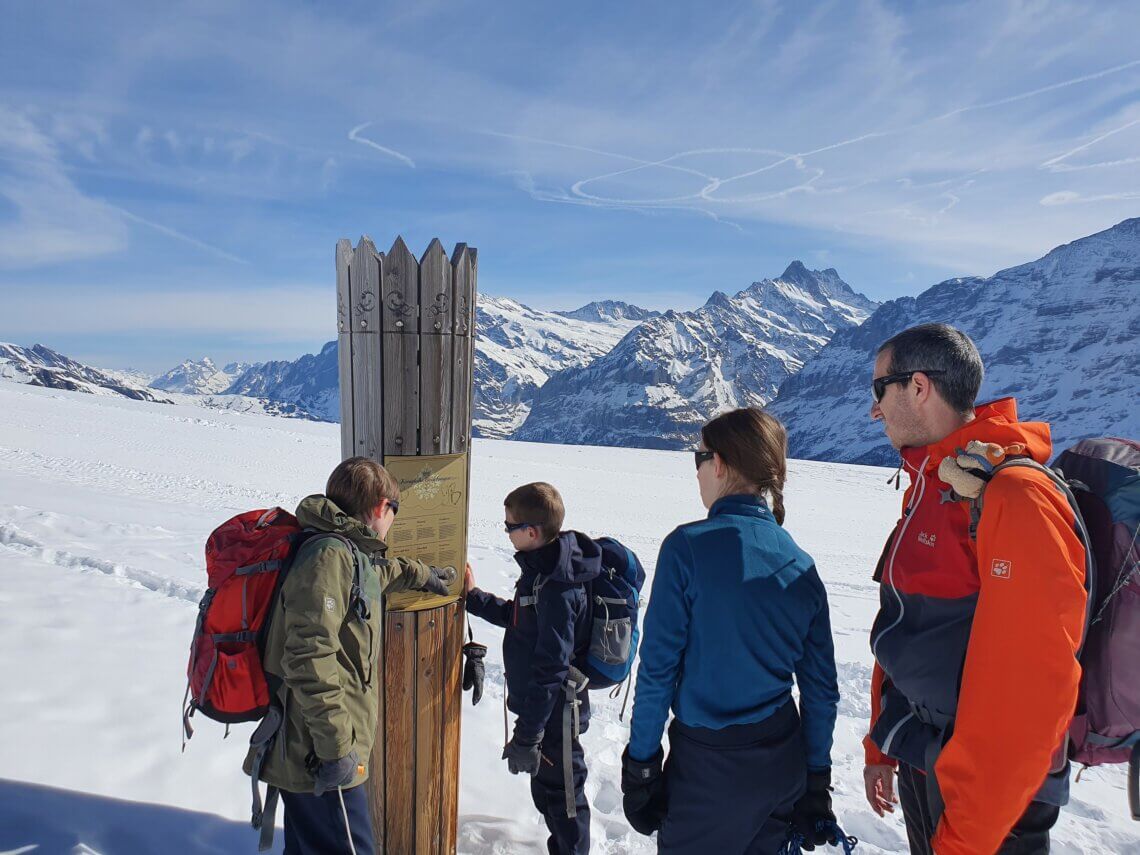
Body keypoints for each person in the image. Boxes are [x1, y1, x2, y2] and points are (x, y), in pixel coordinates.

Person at [862, 323, 1088, 855]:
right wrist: (882, 744)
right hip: (928, 754)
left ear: (918, 387)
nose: (874, 411)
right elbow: (906, 623)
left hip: (991, 797)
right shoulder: (939, 483)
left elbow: (1032, 689)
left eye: (879, 390)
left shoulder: (1012, 495)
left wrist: (967, 838)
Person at [621, 407, 841, 854]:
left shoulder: (687, 548)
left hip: (709, 773)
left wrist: (641, 765)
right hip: (782, 766)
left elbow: (658, 671)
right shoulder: (800, 564)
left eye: (698, 458)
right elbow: (821, 691)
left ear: (719, 463)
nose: (697, 471)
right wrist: (816, 781)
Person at [244, 456, 453, 854]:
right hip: (317, 752)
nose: (393, 519)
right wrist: (336, 748)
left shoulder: (344, 554)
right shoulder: (329, 557)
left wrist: (420, 574)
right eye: (395, 510)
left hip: (307, 747)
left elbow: (373, 577)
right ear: (380, 507)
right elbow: (308, 656)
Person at [464, 482, 601, 855]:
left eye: (509, 526)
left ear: (532, 532)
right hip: (546, 713)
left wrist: (529, 735)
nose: (506, 532)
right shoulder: (542, 572)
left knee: (564, 798)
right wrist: (473, 598)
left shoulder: (557, 585)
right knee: (549, 793)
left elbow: (552, 666)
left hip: (556, 714)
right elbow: (521, 618)